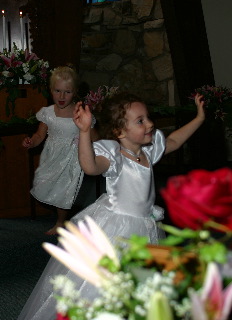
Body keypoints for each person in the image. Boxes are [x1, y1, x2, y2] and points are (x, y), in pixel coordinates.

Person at [17, 91, 205, 320]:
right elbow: (90, 166)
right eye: (140, 121)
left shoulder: (148, 151)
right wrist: (84, 132)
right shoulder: (115, 156)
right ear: (120, 131)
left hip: (145, 227)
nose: (150, 123)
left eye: (147, 117)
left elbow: (174, 140)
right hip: (117, 228)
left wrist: (199, 118)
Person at [22, 66, 97, 235]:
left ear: (75, 92)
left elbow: (95, 137)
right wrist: (31, 141)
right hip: (52, 157)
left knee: (64, 189)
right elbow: (40, 135)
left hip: (73, 157)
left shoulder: (79, 113)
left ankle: (60, 222)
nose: (62, 96)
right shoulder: (47, 113)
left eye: (67, 92)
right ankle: (61, 218)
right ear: (50, 90)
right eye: (57, 91)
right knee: (45, 183)